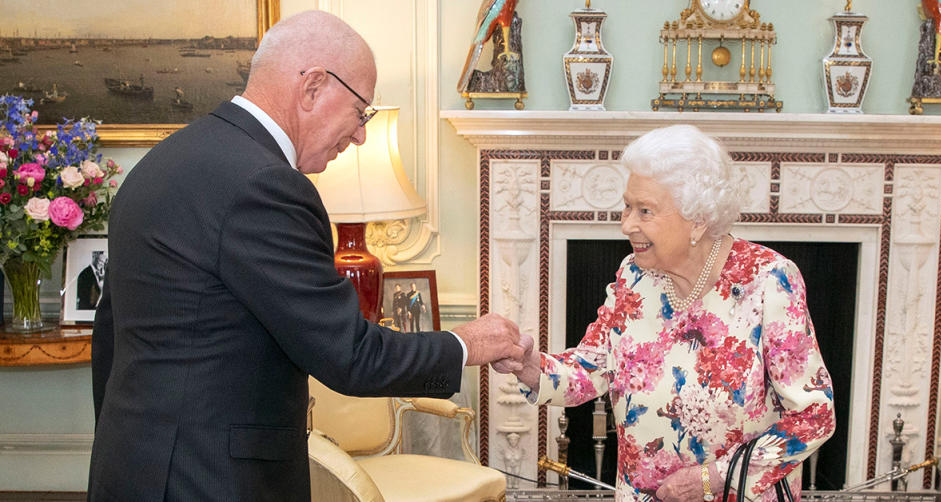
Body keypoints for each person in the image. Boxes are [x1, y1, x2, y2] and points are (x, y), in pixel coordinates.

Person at [88, 11, 529, 502]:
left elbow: (110, 337)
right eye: (362, 110)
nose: (361, 134)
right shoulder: (266, 185)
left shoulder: (161, 162)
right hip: (212, 479)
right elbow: (351, 356)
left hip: (130, 463)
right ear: (314, 87)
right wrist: (465, 343)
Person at [509, 125, 836, 502]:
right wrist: (530, 368)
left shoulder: (769, 281)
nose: (626, 224)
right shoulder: (634, 275)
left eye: (645, 211)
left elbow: (814, 417)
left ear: (697, 219)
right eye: (627, 206)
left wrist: (714, 478)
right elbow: (590, 368)